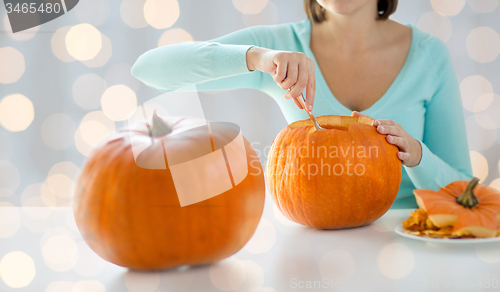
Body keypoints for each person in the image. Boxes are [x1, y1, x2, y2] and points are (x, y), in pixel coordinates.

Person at [131, 0, 473, 208]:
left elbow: (465, 194)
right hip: (313, 246)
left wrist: (417, 155)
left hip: (412, 245)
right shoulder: (278, 46)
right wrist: (257, 57)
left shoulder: (429, 55)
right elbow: (149, 69)